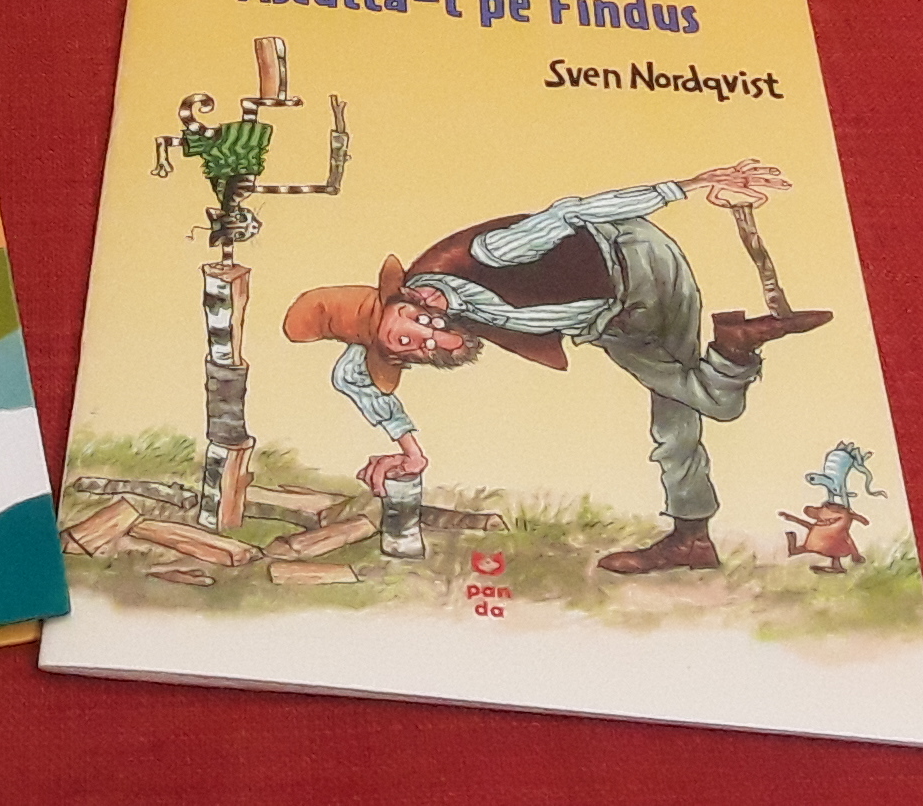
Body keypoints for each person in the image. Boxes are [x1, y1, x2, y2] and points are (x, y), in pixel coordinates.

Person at [283, 162, 830, 574]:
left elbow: (572, 212)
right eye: (407, 346)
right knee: (684, 413)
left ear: (413, 295)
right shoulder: (417, 326)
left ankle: (734, 348)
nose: (427, 338)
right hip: (610, 319)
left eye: (413, 322)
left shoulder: (490, 253)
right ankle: (693, 538)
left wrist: (689, 185)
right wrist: (409, 449)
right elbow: (351, 376)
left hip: (637, 267)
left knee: (708, 406)